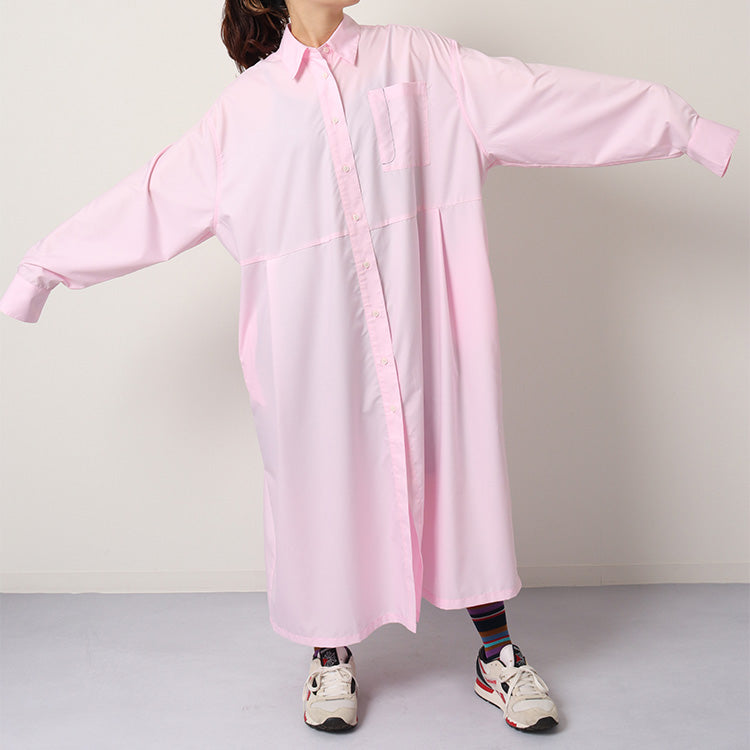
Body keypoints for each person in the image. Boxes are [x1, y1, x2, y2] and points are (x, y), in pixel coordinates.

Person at [0, 0, 739, 736]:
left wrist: (683, 125)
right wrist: (41, 270)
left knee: (458, 477)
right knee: (323, 489)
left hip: (429, 336)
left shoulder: (422, 63)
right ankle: (329, 655)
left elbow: (548, 99)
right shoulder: (244, 115)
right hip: (315, 359)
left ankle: (497, 653)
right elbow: (151, 199)